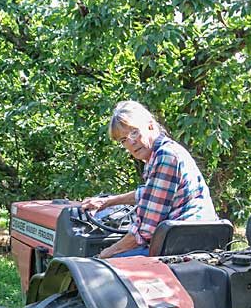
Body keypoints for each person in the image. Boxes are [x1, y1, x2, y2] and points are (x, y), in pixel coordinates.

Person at [80, 101, 217, 258]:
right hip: (186, 239)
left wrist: (103, 255)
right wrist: (107, 202)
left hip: (182, 247)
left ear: (150, 126)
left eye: (134, 133)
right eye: (123, 140)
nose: (130, 142)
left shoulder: (166, 156)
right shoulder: (161, 154)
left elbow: (145, 231)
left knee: (97, 270)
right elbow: (150, 194)